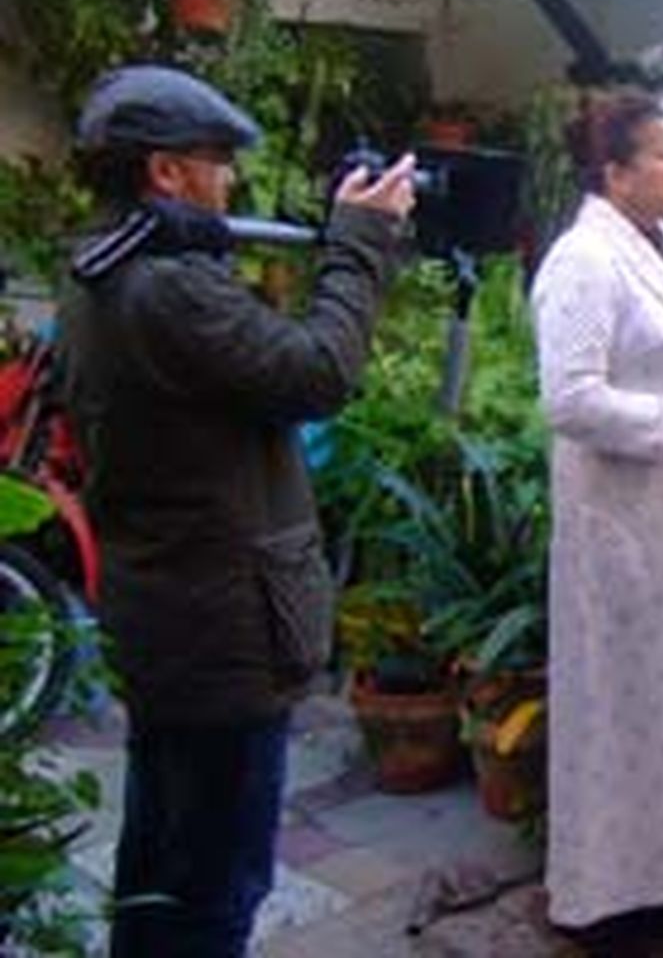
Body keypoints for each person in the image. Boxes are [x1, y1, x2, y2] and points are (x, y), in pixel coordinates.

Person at [60, 64, 415, 957]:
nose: (229, 181)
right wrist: (361, 238)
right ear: (166, 173)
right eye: (215, 161)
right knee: (218, 886)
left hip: (164, 619)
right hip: (222, 634)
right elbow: (320, 371)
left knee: (159, 864)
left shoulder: (101, 268)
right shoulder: (170, 288)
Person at [533, 89, 663, 951]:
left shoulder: (659, 245)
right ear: (616, 175)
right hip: (617, 529)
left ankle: (660, 883)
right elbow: (570, 398)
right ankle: (600, 902)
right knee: (613, 715)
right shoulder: (585, 260)